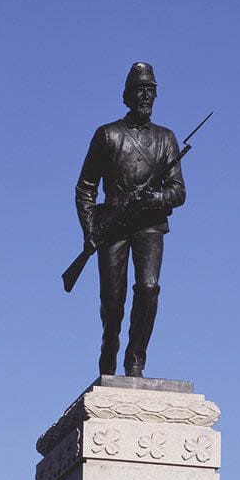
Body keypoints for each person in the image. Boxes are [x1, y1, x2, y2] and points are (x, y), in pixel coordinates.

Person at [75, 62, 186, 377]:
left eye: (151, 90)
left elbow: (178, 191)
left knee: (149, 288)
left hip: (150, 224)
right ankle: (109, 351)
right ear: (127, 96)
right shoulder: (107, 135)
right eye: (140, 90)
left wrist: (155, 199)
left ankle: (135, 359)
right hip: (114, 224)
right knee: (113, 302)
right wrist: (89, 232)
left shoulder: (167, 138)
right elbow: (85, 188)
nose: (146, 96)